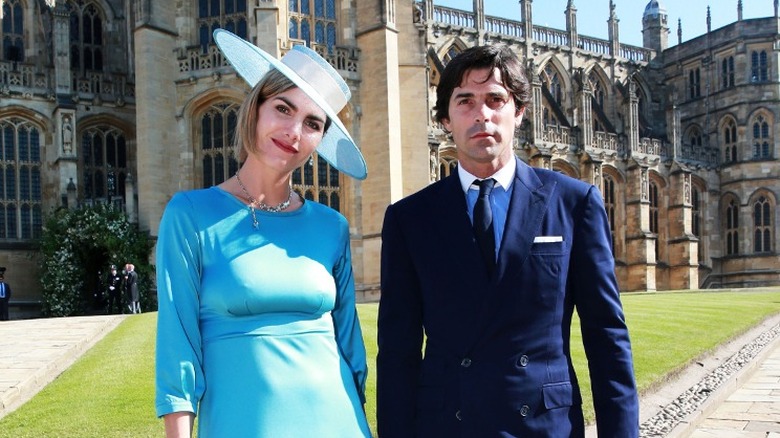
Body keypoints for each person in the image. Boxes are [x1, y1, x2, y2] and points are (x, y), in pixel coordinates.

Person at [376, 45, 639, 437]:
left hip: (543, 425)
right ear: (445, 118)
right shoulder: (408, 218)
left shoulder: (573, 202)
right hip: (449, 426)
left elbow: (606, 336)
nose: (482, 114)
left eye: (496, 99)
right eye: (465, 101)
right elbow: (398, 351)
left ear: (519, 111)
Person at [155, 29, 371, 438]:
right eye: (283, 109)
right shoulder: (190, 215)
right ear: (255, 109)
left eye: (312, 123)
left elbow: (350, 348)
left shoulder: (332, 226)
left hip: (338, 421)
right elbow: (177, 347)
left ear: (318, 142)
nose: (294, 131)